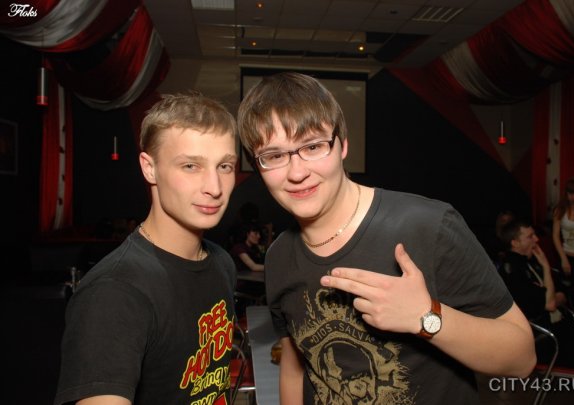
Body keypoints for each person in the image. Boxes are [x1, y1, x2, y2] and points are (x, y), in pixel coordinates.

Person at [237, 72, 536, 404]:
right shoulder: (279, 257)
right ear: (257, 166)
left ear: (342, 145)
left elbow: (522, 358)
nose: (297, 172)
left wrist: (425, 317)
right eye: (274, 156)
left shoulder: (427, 226)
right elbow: (295, 366)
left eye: (313, 146)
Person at [54, 92, 239, 405]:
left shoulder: (221, 263)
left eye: (224, 166)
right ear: (149, 168)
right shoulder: (115, 293)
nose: (214, 187)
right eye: (190, 165)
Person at [498, 219, 574, 367]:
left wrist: (553, 296)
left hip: (553, 325)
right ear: (515, 243)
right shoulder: (513, 271)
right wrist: (546, 267)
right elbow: (550, 304)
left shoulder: (531, 261)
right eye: (530, 236)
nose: (536, 239)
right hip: (539, 334)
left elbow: (561, 291)